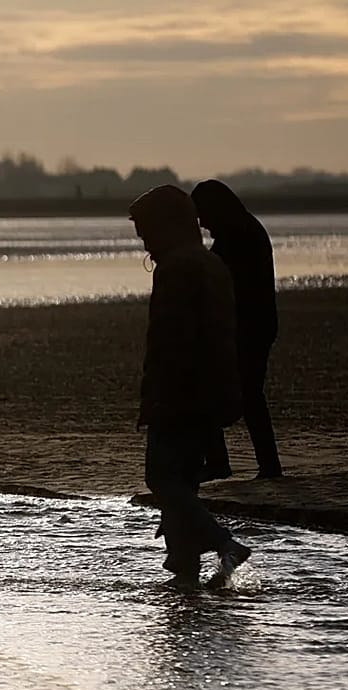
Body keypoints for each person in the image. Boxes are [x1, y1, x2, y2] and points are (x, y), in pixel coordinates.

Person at [129, 185, 252, 591]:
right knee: (183, 483)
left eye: (146, 230)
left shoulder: (177, 268)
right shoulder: (209, 263)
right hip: (212, 391)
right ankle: (185, 576)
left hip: (181, 394)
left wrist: (157, 399)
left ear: (167, 226)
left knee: (162, 480)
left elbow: (170, 342)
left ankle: (223, 544)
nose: (143, 240)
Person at [192, 180, 283, 480]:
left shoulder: (236, 235)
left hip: (247, 328)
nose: (202, 223)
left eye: (202, 215)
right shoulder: (243, 228)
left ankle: (226, 462)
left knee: (222, 392)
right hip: (256, 326)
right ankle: (265, 465)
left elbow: (218, 277)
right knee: (249, 396)